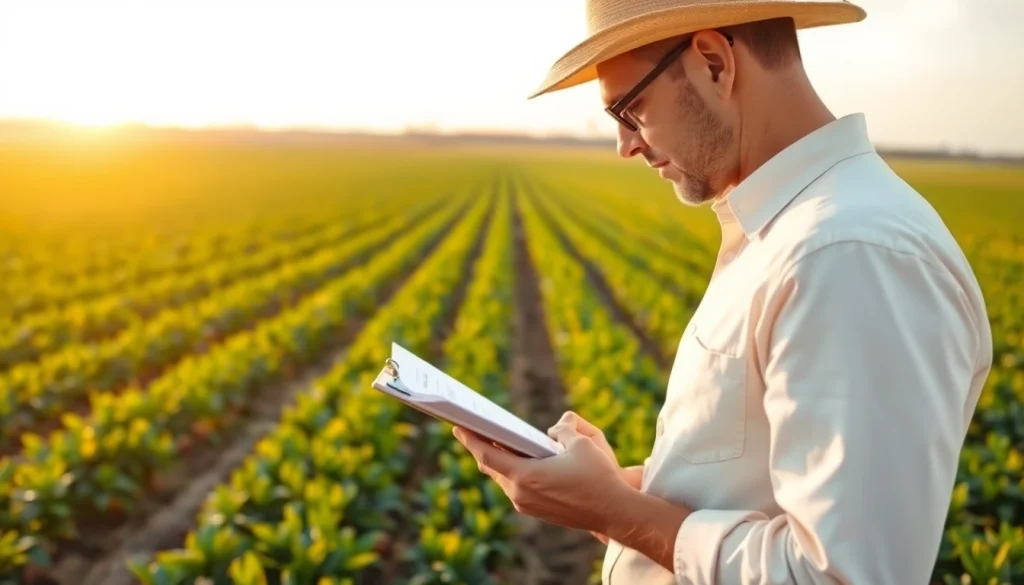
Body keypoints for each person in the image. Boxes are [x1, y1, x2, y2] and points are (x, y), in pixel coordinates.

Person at [451, 0, 994, 583]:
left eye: (630, 109)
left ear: (713, 63)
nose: (625, 145)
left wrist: (616, 509)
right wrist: (616, 491)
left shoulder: (848, 253)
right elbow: (747, 489)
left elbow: (839, 575)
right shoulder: (795, 232)